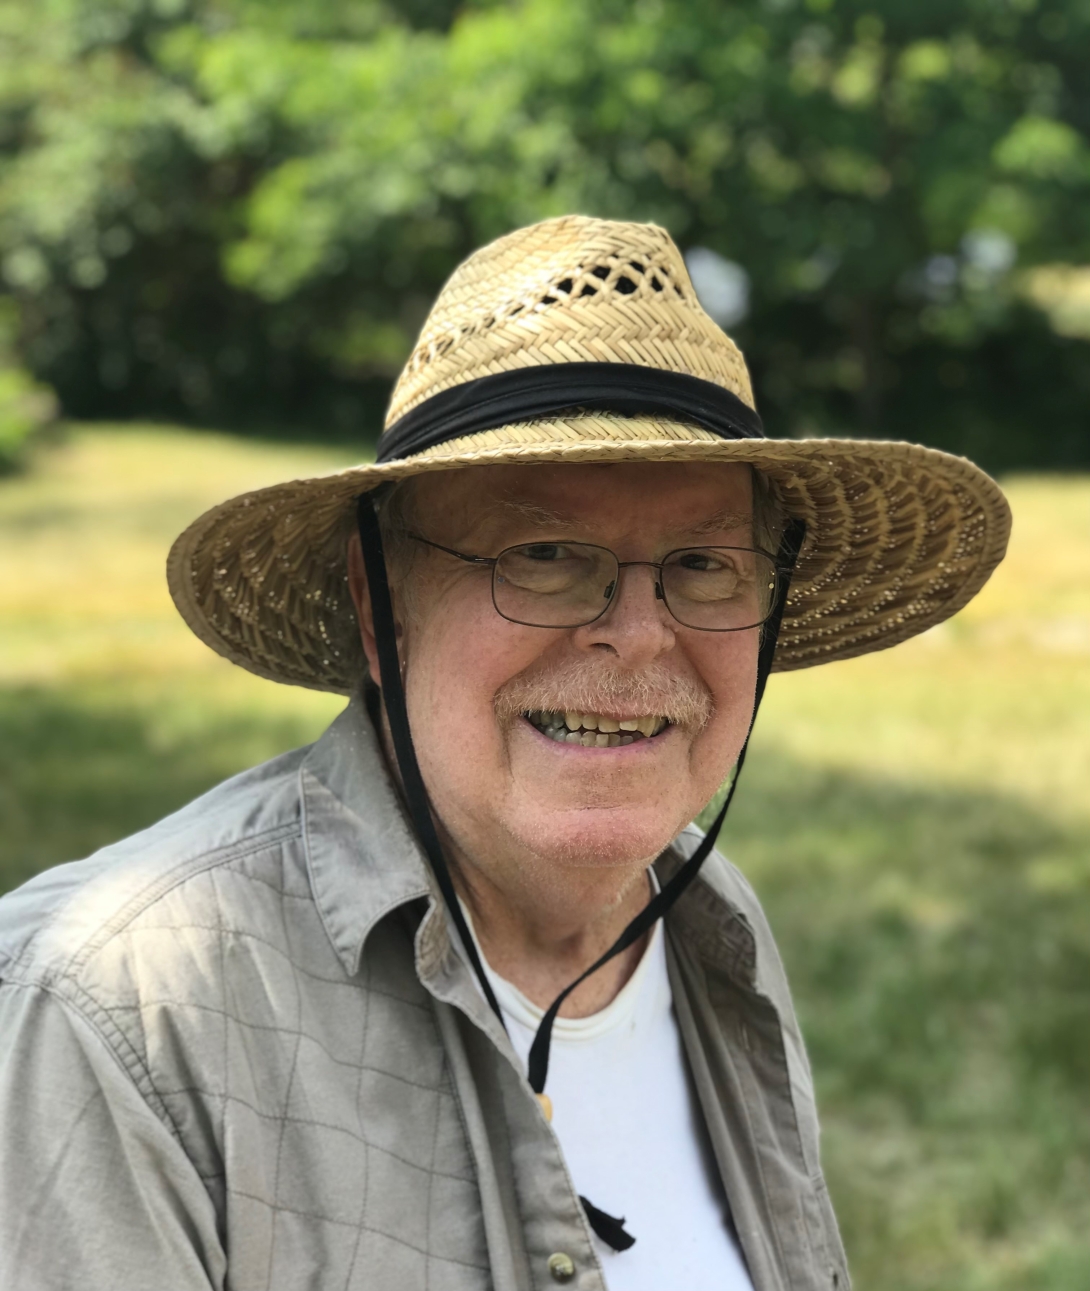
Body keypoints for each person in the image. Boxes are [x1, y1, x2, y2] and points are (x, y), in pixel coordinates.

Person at [0, 216, 1010, 1291]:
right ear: (376, 597)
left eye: (705, 563)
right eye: (542, 554)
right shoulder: (119, 1010)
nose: (636, 631)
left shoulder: (713, 925)